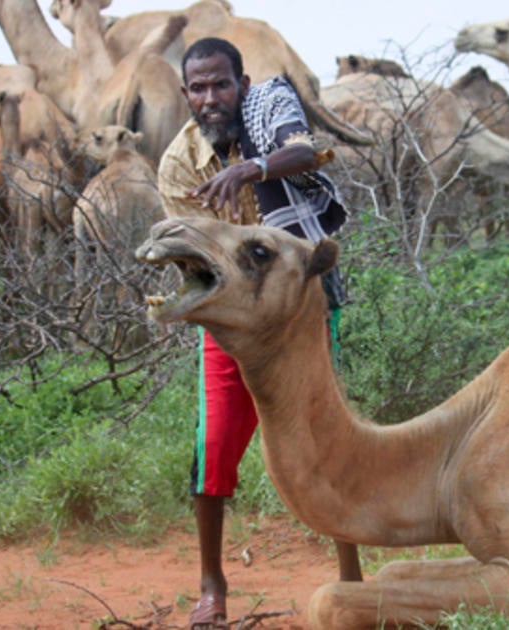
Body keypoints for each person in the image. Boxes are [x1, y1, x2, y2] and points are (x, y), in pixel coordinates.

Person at [157, 37, 353, 629]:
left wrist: (252, 167)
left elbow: (311, 150)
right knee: (212, 447)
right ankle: (212, 586)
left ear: (241, 84)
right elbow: (192, 259)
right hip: (233, 323)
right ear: (185, 94)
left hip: (299, 310)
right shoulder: (178, 164)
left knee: (329, 438)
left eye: (220, 84)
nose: (210, 98)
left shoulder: (269, 114)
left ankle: (351, 578)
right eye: (198, 88)